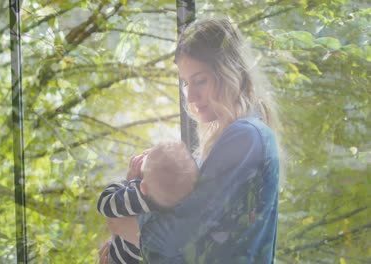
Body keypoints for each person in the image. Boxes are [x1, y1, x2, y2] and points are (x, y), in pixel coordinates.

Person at [107, 17, 281, 263]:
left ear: (229, 72)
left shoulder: (245, 136)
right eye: (186, 83)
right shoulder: (241, 135)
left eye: (200, 80)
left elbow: (178, 242)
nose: (190, 96)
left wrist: (121, 223)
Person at [97, 142, 198, 264]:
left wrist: (129, 181)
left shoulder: (142, 198)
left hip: (118, 258)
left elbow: (104, 204)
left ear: (143, 187)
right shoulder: (182, 200)